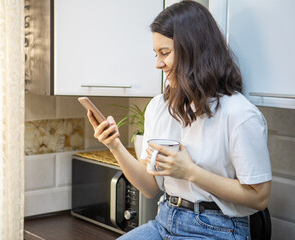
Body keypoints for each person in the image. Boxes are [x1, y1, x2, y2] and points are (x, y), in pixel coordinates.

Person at [86, 1, 272, 239]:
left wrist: (190, 172)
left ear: (193, 50)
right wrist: (115, 146)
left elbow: (260, 197)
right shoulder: (159, 107)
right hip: (164, 221)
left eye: (165, 53)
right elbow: (150, 188)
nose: (157, 63)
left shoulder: (239, 115)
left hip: (219, 229)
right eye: (156, 54)